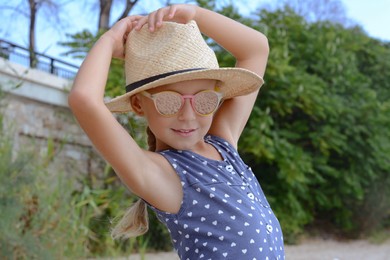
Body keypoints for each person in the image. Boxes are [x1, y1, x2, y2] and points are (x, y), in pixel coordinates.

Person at [68, 4, 284, 259]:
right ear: (138, 104)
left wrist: (196, 15)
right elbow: (84, 99)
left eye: (204, 101)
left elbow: (256, 49)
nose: (188, 115)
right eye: (169, 102)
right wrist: (109, 40)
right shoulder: (162, 175)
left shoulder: (223, 141)